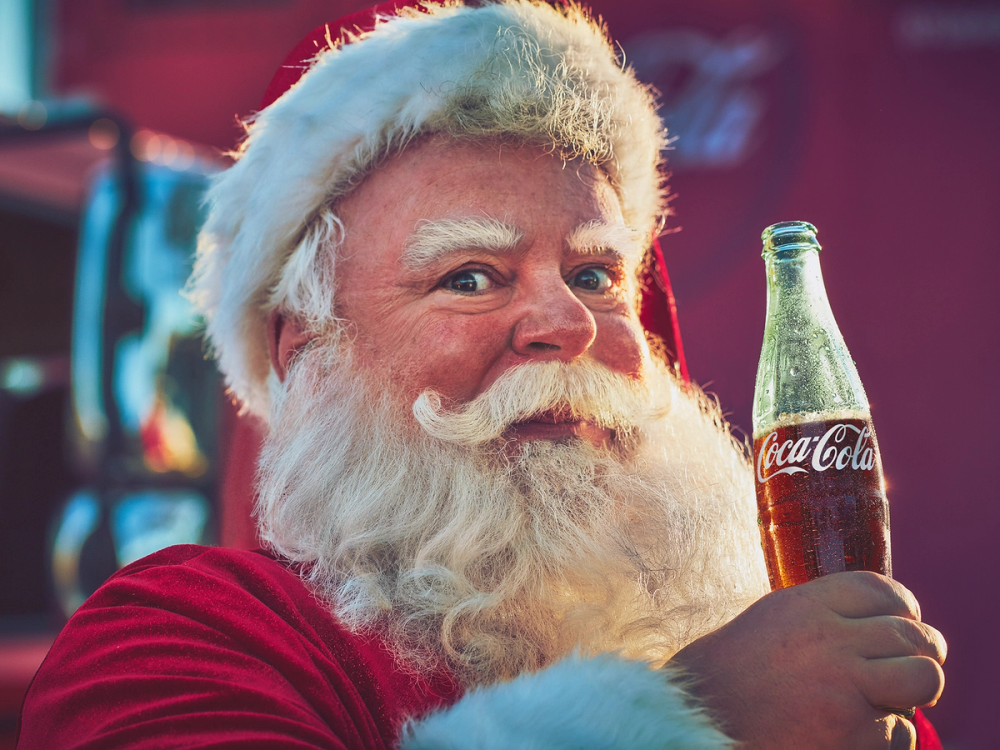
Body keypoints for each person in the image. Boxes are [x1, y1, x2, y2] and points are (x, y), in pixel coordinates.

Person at [18, 1, 945, 748]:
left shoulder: (807, 685)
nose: (568, 323)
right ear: (309, 353)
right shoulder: (184, 640)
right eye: (469, 277)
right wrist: (694, 719)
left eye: (593, 276)